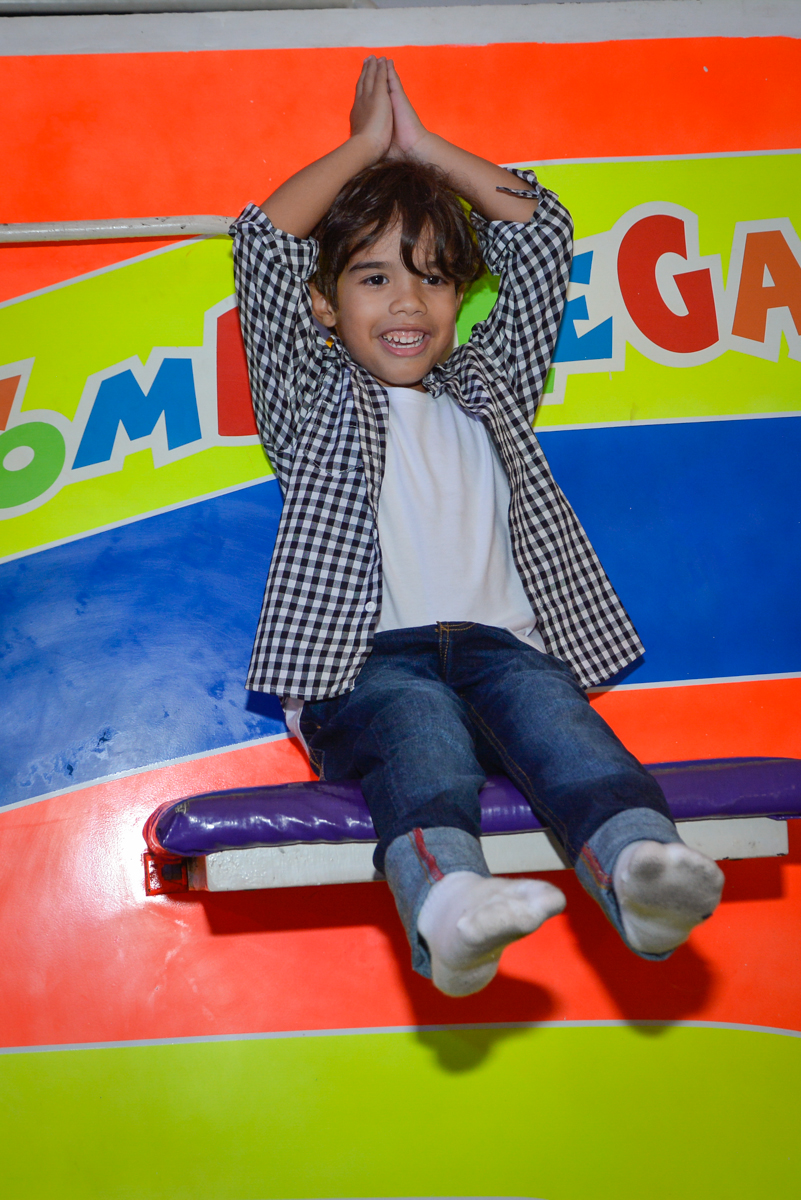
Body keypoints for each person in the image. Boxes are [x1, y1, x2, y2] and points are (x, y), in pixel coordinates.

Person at [230, 57, 724, 996]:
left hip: (500, 648)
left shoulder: (488, 386)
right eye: (372, 279)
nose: (406, 303)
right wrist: (365, 149)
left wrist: (422, 148)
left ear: (462, 298)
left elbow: (541, 235)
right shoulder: (311, 399)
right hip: (365, 662)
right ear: (326, 307)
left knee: (560, 720)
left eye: (431, 279)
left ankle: (640, 873)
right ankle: (448, 909)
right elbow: (262, 245)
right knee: (417, 727)